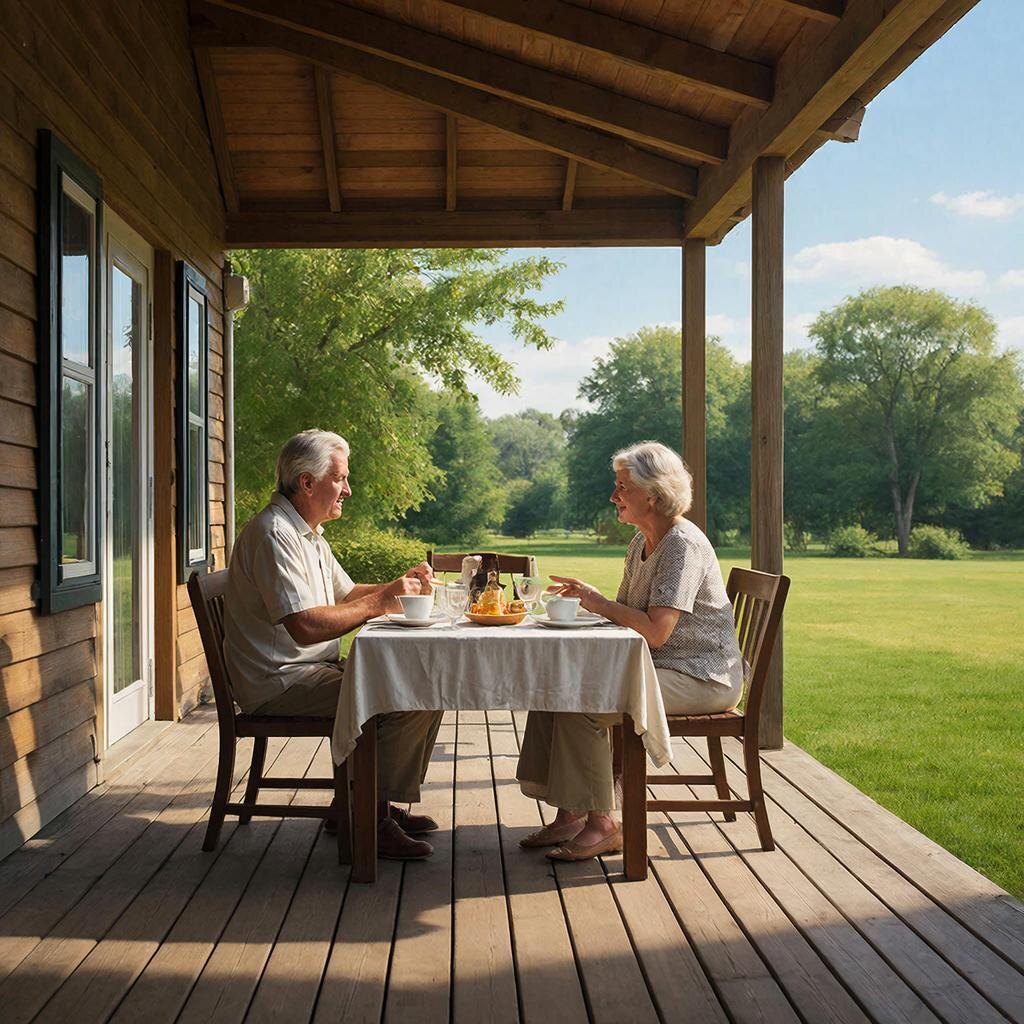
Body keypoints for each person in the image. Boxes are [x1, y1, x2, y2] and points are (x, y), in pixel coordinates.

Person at [516, 441, 744, 861]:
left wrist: (597, 602)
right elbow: (623, 618)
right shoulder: (642, 542)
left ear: (653, 495)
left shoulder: (682, 545)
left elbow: (655, 631)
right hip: (659, 667)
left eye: (622, 487)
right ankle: (571, 813)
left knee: (584, 701)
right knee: (556, 686)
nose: (613, 496)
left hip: (700, 677)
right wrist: (591, 604)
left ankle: (603, 825)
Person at [223, 429, 444, 861]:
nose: (348, 489)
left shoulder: (307, 533)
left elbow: (347, 595)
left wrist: (399, 586)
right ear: (307, 483)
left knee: (423, 684)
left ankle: (359, 805)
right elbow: (304, 626)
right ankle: (367, 817)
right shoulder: (274, 535)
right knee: (405, 693)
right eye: (340, 478)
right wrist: (381, 602)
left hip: (308, 671)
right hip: (279, 683)